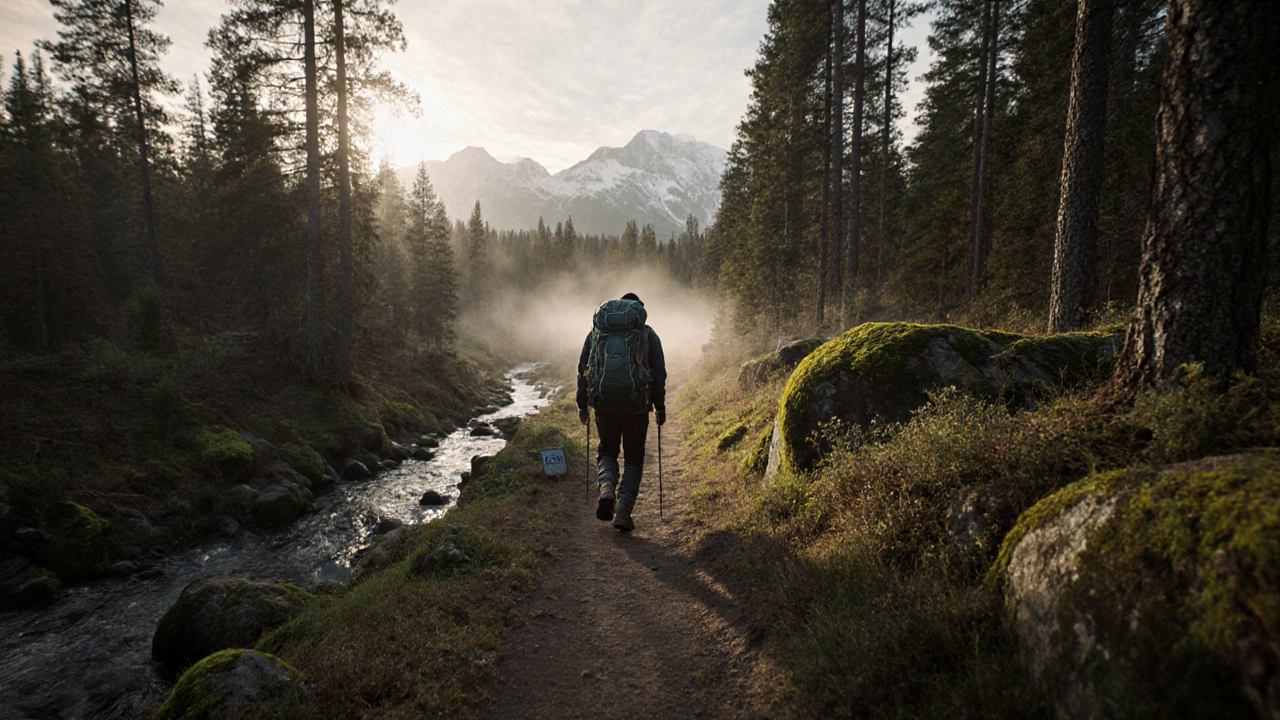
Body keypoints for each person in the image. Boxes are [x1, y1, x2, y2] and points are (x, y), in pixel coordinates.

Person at [576, 292, 666, 531]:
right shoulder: (647, 335)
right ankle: (623, 510)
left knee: (607, 451)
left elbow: (584, 369)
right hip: (636, 407)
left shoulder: (597, 334)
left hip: (604, 405)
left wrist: (583, 405)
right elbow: (659, 373)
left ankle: (607, 489)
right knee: (634, 459)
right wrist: (660, 406)